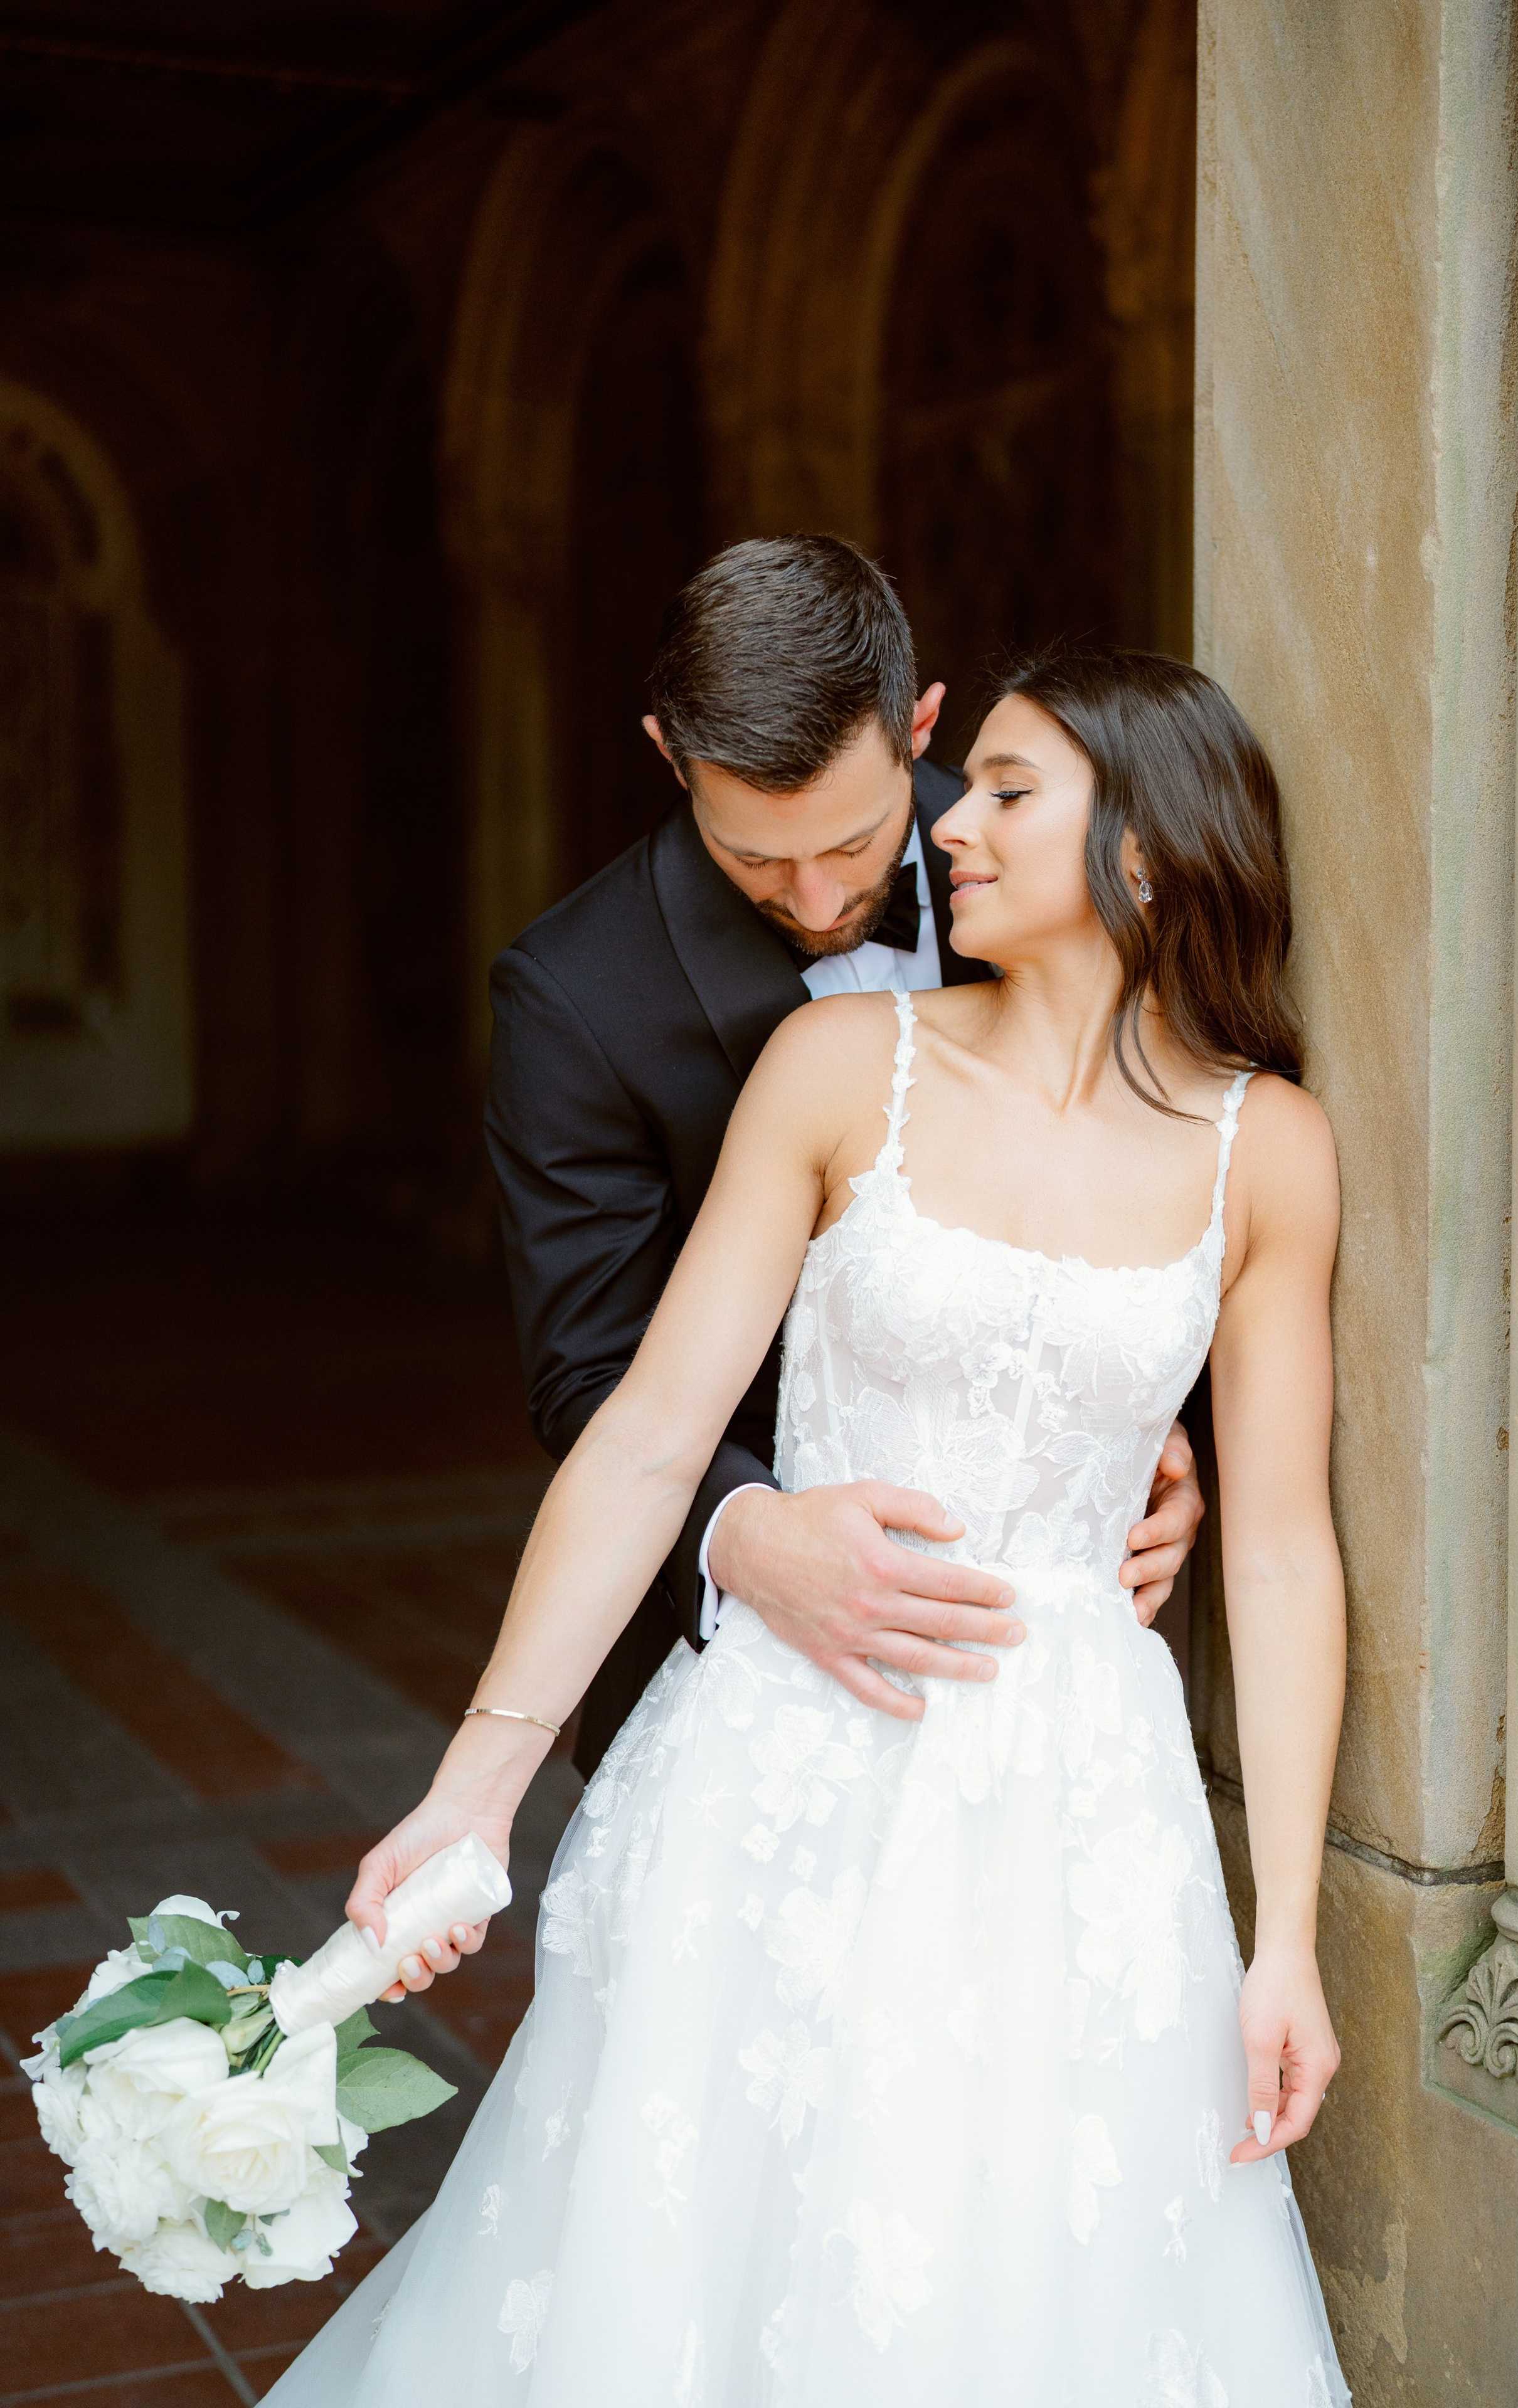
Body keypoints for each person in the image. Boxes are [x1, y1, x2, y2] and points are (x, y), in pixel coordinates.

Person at [267, 646, 1350, 2405]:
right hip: (785, 1771)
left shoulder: (1271, 1152)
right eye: (968, 780)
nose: (957, 829)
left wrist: (1285, 1936)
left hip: (1079, 1818)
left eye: (1009, 793)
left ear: (1146, 856)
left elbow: (1289, 1552)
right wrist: (472, 1790)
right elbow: (640, 1442)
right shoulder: (842, 1065)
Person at [481, 537, 1204, 1777]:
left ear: (920, 727)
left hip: (1057, 1666)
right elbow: (589, 1371)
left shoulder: (1059, 874)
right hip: (734, 1678)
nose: (816, 900)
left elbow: (1165, 1159)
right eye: (755, 857)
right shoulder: (573, 998)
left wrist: (1152, 1421)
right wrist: (745, 1533)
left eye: (855, 843)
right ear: (667, 755)